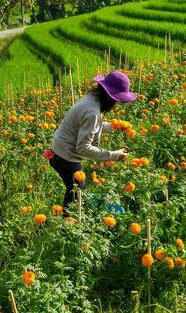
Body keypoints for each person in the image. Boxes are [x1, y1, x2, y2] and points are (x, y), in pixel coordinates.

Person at [45, 70, 137, 217]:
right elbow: (83, 148)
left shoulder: (92, 99)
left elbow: (89, 126)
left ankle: (69, 223)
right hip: (65, 157)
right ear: (109, 97)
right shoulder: (92, 111)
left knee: (76, 192)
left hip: (60, 151)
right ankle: (68, 228)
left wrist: (113, 126)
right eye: (117, 100)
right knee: (78, 195)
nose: (117, 104)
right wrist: (114, 155)